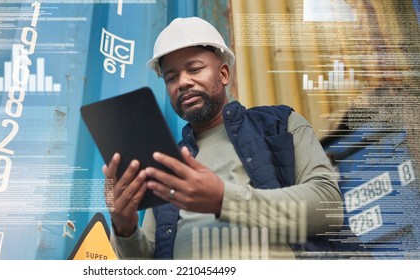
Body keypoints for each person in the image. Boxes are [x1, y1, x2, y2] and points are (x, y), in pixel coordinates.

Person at [103, 17, 346, 259]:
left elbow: (329, 208)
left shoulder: (279, 126)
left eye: (195, 69)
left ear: (224, 74)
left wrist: (223, 199)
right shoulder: (167, 167)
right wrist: (124, 226)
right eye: (171, 77)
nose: (183, 82)